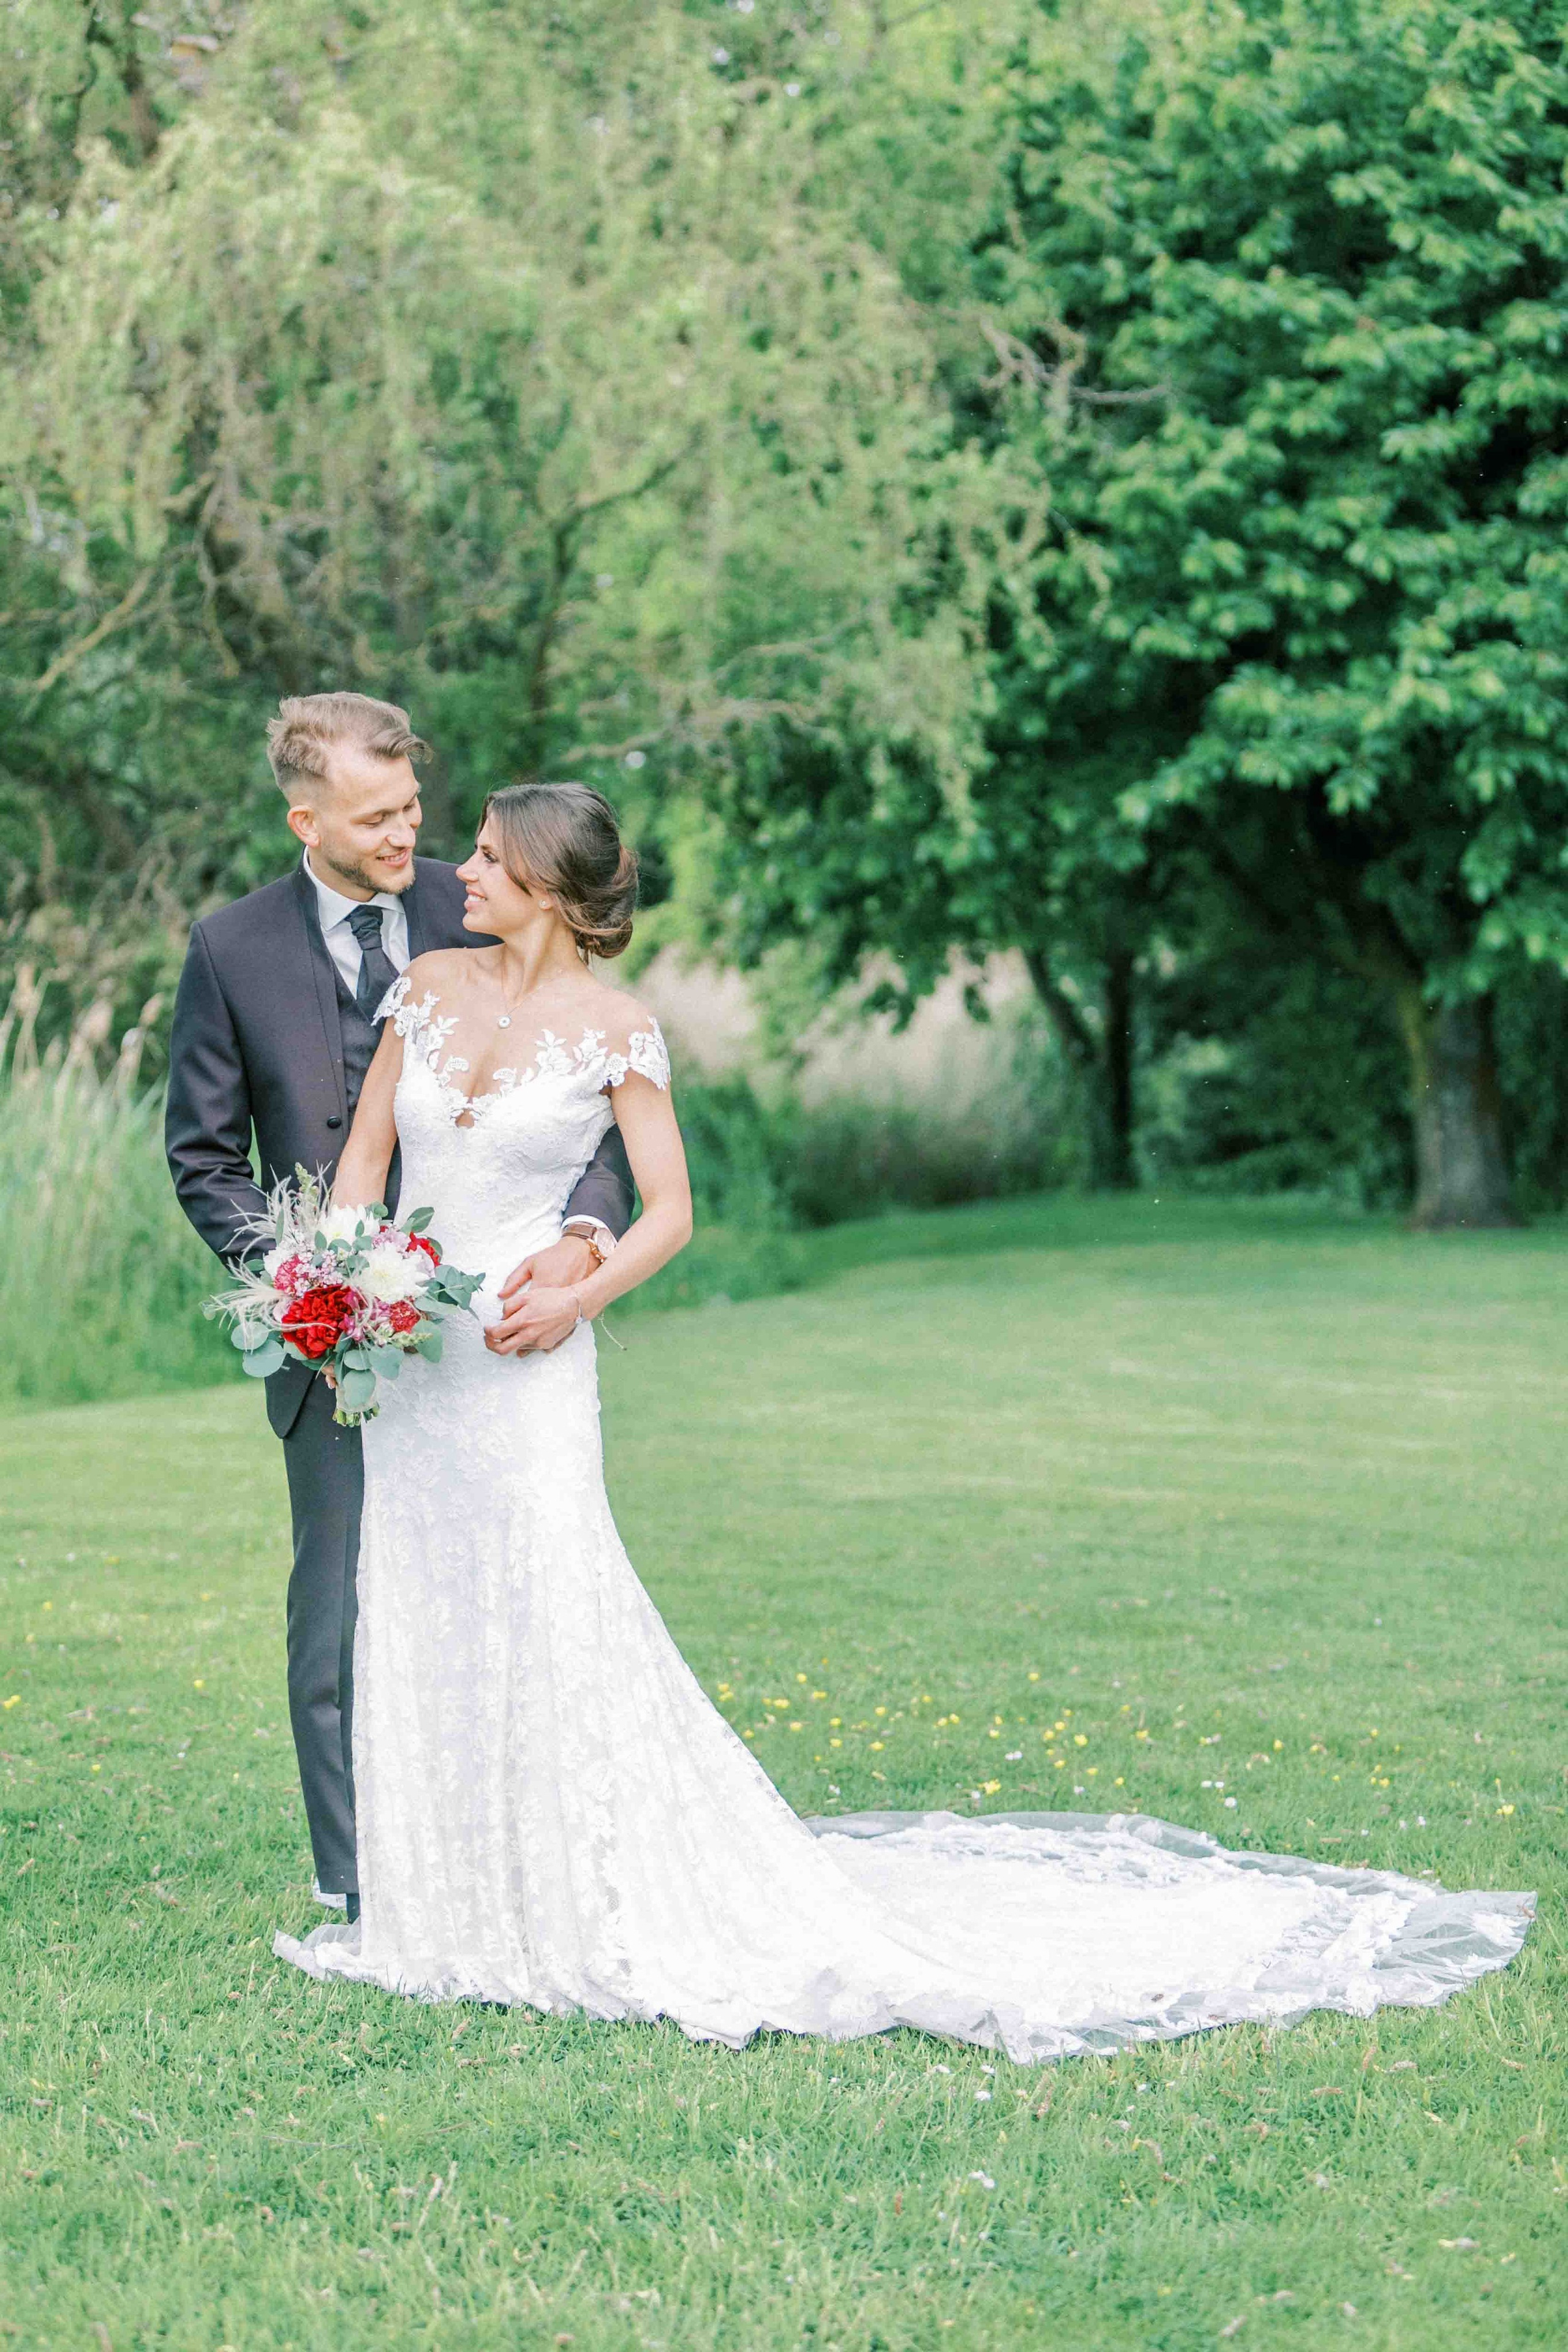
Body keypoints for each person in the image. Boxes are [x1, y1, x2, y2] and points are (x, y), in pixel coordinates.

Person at [272, 778, 1533, 2057]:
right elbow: (368, 1158)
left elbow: (668, 1211)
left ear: (545, 888)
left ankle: (573, 1900)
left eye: (486, 859)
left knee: (550, 1601)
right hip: (422, 1364)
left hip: (530, 1372)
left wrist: (580, 1292)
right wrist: (345, 1281)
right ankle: (445, 1906)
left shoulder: (617, 1030)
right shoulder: (422, 988)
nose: (458, 872)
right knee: (419, 1599)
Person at [165, 694, 635, 1924]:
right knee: (339, 1609)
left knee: (495, 1581)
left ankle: (507, 1843)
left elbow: (592, 1095)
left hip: (485, 1331)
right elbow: (204, 1157)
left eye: (414, 807)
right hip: (326, 1330)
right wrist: (299, 1278)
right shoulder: (230, 950)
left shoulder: (485, 897)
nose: (406, 834)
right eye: (377, 817)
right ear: (303, 816)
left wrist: (585, 1236)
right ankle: (356, 1874)